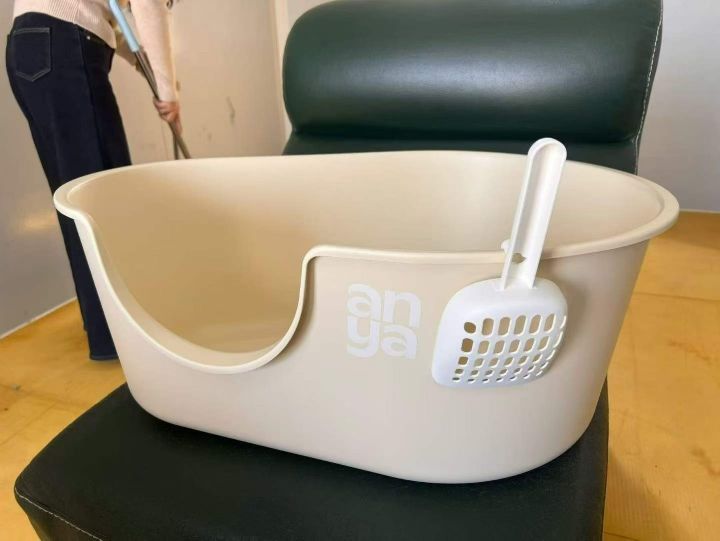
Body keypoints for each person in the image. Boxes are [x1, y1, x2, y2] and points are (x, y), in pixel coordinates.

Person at [6, 0, 181, 360]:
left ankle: (106, 332)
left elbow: (114, 20)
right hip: (67, 45)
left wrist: (145, 66)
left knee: (78, 199)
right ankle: (120, 337)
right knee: (104, 200)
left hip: (28, 46)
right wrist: (168, 92)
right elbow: (148, 6)